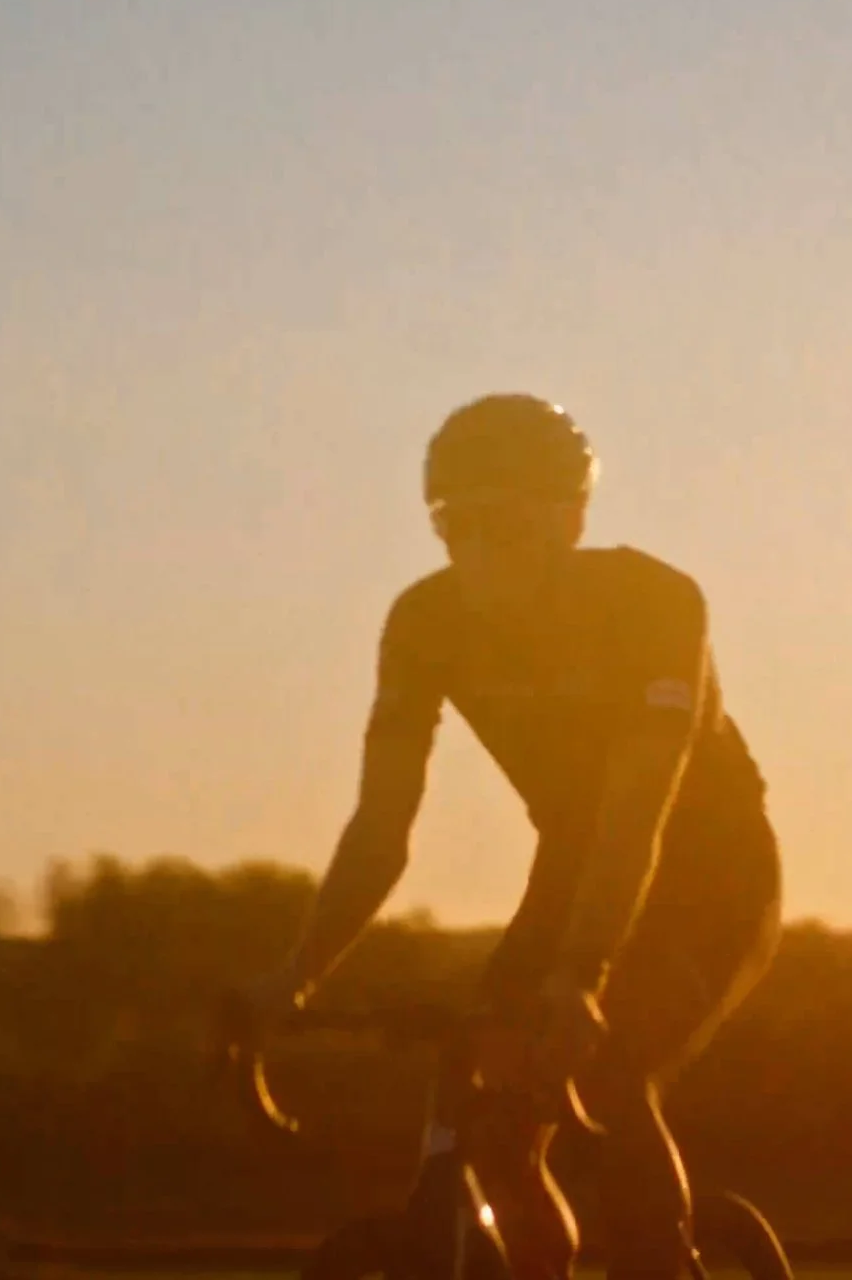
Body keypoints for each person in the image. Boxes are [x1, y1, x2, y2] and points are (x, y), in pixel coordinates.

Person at [252, 394, 783, 1280]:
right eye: (456, 527)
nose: (480, 552)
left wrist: (584, 973)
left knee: (611, 1075)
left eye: (504, 524)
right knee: (491, 1127)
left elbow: (638, 810)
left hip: (711, 869)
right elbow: (382, 828)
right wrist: (297, 973)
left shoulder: (656, 601)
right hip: (576, 865)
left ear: (571, 521)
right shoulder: (423, 623)